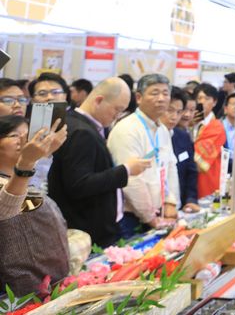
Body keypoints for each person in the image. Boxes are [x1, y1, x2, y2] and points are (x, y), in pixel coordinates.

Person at [48, 77, 151, 247]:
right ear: (99, 101)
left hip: (93, 226)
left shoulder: (81, 124)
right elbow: (79, 184)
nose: (117, 116)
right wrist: (126, 170)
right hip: (88, 230)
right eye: (117, 109)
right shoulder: (81, 132)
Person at [0, 115, 68, 294]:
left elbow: (32, 180)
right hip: (20, 292)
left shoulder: (24, 177)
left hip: (53, 279)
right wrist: (26, 161)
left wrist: (42, 154)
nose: (25, 141)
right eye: (15, 135)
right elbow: (6, 207)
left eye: (27, 134)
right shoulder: (16, 177)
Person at [107, 74, 180, 237]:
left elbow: (170, 167)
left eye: (165, 93)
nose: (161, 98)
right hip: (132, 217)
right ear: (139, 98)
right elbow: (130, 179)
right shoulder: (127, 129)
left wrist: (171, 202)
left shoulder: (162, 129)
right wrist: (150, 218)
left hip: (160, 213)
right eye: (155, 93)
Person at [26, 72, 68, 188]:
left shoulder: (76, 127)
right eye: (42, 93)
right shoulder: (25, 129)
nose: (49, 97)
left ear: (65, 95)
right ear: (33, 100)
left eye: (55, 92)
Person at [166, 88, 199, 213]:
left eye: (179, 112)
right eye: (170, 110)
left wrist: (191, 199)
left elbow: (191, 172)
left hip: (180, 207)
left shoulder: (183, 137)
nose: (174, 117)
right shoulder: (150, 136)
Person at [193, 83, 225, 199]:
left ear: (214, 102)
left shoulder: (216, 127)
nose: (202, 102)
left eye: (207, 99)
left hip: (207, 179)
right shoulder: (188, 123)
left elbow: (200, 161)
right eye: (199, 98)